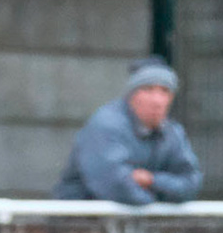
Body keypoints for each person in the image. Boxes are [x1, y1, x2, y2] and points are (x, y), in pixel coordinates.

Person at [51, 57, 201, 205]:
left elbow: (191, 184)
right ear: (132, 95)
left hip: (134, 226)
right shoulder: (106, 124)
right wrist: (155, 204)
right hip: (79, 224)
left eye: (165, 91)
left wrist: (151, 180)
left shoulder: (173, 132)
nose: (157, 100)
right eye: (148, 89)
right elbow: (114, 186)